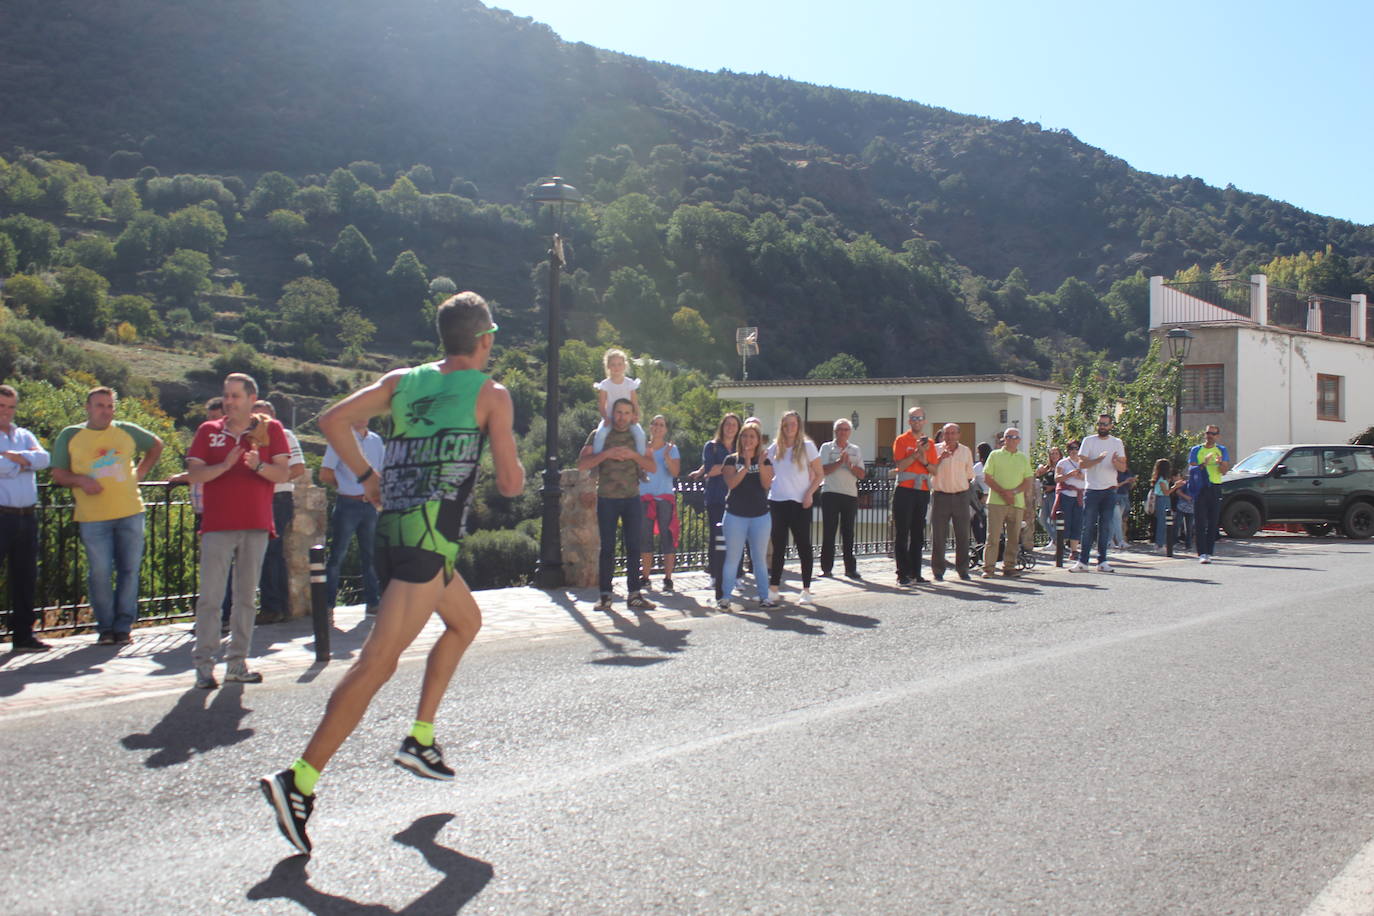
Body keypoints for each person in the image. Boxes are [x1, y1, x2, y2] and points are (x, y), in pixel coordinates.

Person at [261, 291, 525, 856]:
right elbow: (509, 485)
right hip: (428, 546)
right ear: (485, 340)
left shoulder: (403, 380)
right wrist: (513, 464)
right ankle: (298, 781)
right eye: (490, 339)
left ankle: (421, 739)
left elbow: (332, 420)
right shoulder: (491, 394)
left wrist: (366, 477)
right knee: (376, 665)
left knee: (466, 623)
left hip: (399, 537)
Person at [186, 373, 291, 688]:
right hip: (218, 524)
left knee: (246, 598)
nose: (228, 402)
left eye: (235, 396)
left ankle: (237, 663)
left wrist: (257, 465)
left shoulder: (270, 430)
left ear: (251, 398)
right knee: (211, 598)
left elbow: (283, 473)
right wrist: (224, 466)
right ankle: (204, 666)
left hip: (256, 524)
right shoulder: (208, 431)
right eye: (226, 396)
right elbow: (195, 472)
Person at [48, 386, 164, 645]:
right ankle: (105, 627)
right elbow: (58, 473)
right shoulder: (71, 435)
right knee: (99, 571)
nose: (106, 411)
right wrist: (80, 480)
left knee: (129, 570)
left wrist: (142, 472)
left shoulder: (127, 430)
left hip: (131, 511)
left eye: (110, 406)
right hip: (93, 516)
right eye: (100, 405)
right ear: (88, 408)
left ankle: (123, 627)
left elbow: (156, 445)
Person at [578, 398, 657, 612]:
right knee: (607, 549)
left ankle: (635, 595)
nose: (622, 417)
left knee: (634, 548)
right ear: (612, 414)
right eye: (619, 412)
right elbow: (582, 464)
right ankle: (605, 595)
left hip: (632, 498)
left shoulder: (637, 436)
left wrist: (633, 455)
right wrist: (606, 454)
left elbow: (652, 467)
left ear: (633, 415)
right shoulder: (599, 434)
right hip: (606, 499)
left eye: (626, 413)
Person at [0, 384, 52, 652]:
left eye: (11, 407)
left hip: (26, 516)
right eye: (1, 406)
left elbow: (45, 459)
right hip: (2, 515)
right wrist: (22, 464)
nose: (6, 412)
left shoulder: (24, 435)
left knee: (25, 576)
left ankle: (22, 634)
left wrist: (17, 459)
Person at [321, 418, 386, 614]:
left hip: (370, 507)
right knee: (337, 556)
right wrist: (345, 488)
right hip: (347, 504)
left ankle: (373, 603)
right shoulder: (340, 439)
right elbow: (325, 474)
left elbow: (381, 472)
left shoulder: (376, 440)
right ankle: (328, 605)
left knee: (371, 556)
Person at [255, 399, 306, 622]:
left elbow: (298, 467)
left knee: (270, 552)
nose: (259, 420)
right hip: (260, 499)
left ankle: (273, 608)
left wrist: (274, 479)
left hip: (278, 498)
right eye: (255, 415)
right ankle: (278, 606)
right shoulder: (250, 438)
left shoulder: (284, 435)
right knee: (268, 554)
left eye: (263, 415)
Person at [766, 410, 822, 605]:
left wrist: (809, 494)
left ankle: (806, 590)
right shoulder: (774, 448)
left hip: (800, 502)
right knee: (778, 546)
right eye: (787, 424)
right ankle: (773, 588)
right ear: (782, 426)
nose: (790, 427)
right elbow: (767, 472)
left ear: (799, 426)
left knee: (803, 546)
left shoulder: (807, 447)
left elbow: (820, 474)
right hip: (778, 501)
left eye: (794, 424)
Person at [718, 420, 775, 609]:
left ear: (758, 440)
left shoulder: (765, 460)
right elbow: (732, 484)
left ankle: (764, 597)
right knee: (732, 558)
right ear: (739, 438)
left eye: (752, 436)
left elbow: (767, 484)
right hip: (735, 515)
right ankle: (725, 597)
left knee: (759, 558)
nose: (748, 439)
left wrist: (760, 464)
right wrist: (746, 465)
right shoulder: (730, 460)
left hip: (760, 516)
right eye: (744, 435)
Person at [689, 412, 740, 594]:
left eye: (734, 424)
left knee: (735, 538)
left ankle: (735, 576)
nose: (730, 427)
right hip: (716, 497)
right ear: (722, 426)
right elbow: (710, 470)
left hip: (736, 497)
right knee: (716, 537)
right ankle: (715, 575)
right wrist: (730, 467)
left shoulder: (740, 446)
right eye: (727, 424)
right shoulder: (712, 447)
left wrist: (723, 468)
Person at [1071, 413, 1128, 574]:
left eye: (1105, 424)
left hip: (1110, 490)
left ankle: (1102, 561)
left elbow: (1123, 468)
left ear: (1111, 426)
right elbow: (1082, 463)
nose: (1102, 427)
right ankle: (1083, 561)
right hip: (1092, 489)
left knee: (1105, 527)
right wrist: (1097, 460)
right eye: (1100, 424)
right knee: (1087, 526)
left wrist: (1115, 462)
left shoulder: (1117, 443)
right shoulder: (1089, 441)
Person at [891, 406, 939, 585]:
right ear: (909, 421)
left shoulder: (931, 444)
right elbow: (900, 466)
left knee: (918, 533)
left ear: (924, 421)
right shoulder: (902, 440)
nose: (917, 421)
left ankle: (916, 572)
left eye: (920, 418)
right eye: (914, 418)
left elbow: (934, 470)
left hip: (922, 490)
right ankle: (902, 573)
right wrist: (916, 454)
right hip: (905, 489)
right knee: (902, 533)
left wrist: (924, 458)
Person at [980, 427, 1033, 577]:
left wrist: (1013, 493)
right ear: (1004, 439)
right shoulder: (994, 455)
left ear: (1019, 440)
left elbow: (1028, 480)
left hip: (1016, 503)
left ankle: (1009, 567)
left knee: (1014, 538)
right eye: (1008, 437)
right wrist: (1004, 493)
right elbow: (988, 477)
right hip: (997, 502)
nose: (1011, 440)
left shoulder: (1022, 458)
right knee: (993, 537)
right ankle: (988, 568)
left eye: (1015, 437)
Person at [817, 417, 865, 580]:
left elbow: (862, 474)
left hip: (850, 494)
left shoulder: (855, 449)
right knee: (829, 532)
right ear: (835, 431)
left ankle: (850, 569)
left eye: (845, 429)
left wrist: (850, 465)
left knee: (848, 533)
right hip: (830, 493)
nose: (842, 432)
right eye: (840, 429)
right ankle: (826, 568)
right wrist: (839, 462)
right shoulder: (826, 447)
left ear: (849, 432)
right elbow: (822, 470)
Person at [638, 415, 680, 592]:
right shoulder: (641, 448)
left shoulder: (672, 449)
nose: (657, 427)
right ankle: (645, 577)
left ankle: (668, 578)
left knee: (667, 538)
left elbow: (675, 472)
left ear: (666, 429)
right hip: (644, 497)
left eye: (661, 425)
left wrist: (666, 458)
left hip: (664, 499)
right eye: (654, 424)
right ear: (650, 427)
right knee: (645, 539)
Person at [929, 422, 975, 581]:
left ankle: (963, 569)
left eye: (953, 433)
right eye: (946, 433)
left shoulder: (965, 451)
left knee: (962, 534)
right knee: (938, 536)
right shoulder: (935, 449)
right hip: (940, 496)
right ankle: (938, 570)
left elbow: (969, 475)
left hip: (961, 496)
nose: (949, 436)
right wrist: (941, 458)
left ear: (958, 435)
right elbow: (930, 469)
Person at [590, 348, 646, 454]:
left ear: (624, 366)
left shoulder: (630, 384)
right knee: (600, 434)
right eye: (613, 364)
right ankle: (595, 459)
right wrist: (606, 418)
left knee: (640, 435)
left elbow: (634, 403)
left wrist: (636, 416)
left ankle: (641, 462)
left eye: (619, 364)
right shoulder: (605, 385)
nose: (617, 367)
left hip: (628, 417)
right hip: (610, 417)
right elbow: (602, 405)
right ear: (608, 366)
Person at [1189, 424, 1230, 564]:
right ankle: (1202, 552)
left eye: (1213, 433)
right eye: (1208, 433)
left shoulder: (1221, 450)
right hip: (1200, 487)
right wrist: (1204, 464)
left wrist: (1219, 463)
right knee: (1200, 521)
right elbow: (1192, 469)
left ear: (1217, 435)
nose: (1210, 436)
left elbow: (1224, 471)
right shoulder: (1196, 450)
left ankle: (1209, 551)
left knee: (1213, 521)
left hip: (1215, 486)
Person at [1053, 440, 1086, 557]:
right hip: (1066, 495)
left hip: (1080, 496)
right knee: (1065, 522)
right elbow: (1057, 478)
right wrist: (1069, 475)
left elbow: (1089, 478)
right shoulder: (1063, 463)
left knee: (1077, 523)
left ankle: (1074, 550)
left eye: (1076, 448)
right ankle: (1060, 549)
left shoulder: (1084, 463)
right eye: (1071, 449)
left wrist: (1081, 476)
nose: (1074, 451)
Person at [1148, 459, 1183, 553]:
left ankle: (1160, 543)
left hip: (1164, 500)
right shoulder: (1161, 480)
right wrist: (1175, 486)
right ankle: (1159, 544)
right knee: (1162, 523)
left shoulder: (1162, 479)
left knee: (1164, 523)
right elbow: (1166, 492)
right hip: (1162, 500)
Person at [1035, 447, 1061, 551]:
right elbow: (1037, 476)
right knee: (1042, 518)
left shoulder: (1061, 466)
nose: (1054, 456)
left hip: (1055, 494)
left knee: (1054, 519)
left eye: (1056, 453)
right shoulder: (1047, 468)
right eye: (1052, 454)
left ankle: (1056, 541)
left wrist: (1053, 487)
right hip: (1046, 495)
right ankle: (1055, 539)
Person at [970, 441, 992, 548]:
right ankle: (981, 544)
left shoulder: (989, 465)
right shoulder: (977, 466)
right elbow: (971, 480)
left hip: (989, 497)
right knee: (979, 521)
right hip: (980, 498)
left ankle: (984, 544)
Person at [1110, 466, 1137, 549]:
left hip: (1125, 495)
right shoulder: (1113, 471)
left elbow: (1131, 487)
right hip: (1116, 495)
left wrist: (1132, 482)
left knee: (1122, 520)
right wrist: (1125, 481)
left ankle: (1118, 540)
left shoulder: (1127, 471)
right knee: (1116, 519)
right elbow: (1114, 485)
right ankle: (1115, 540)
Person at [1172, 470, 1195, 551]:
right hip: (1181, 507)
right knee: (1177, 524)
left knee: (1189, 527)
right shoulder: (1186, 484)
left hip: (1191, 509)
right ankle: (1174, 542)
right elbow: (1178, 492)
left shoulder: (1197, 486)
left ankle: (1188, 544)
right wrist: (1186, 497)